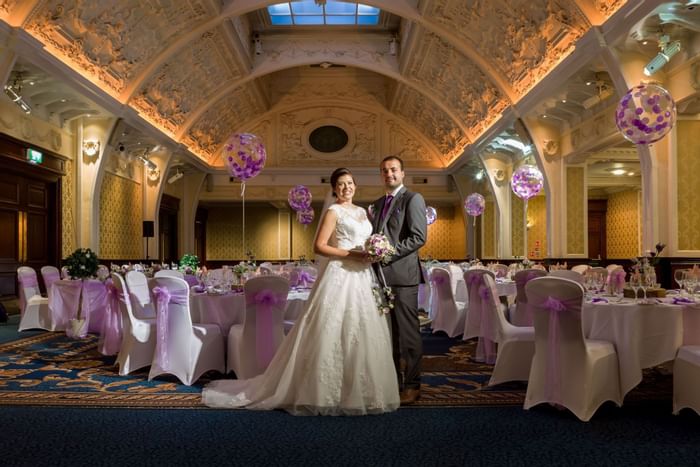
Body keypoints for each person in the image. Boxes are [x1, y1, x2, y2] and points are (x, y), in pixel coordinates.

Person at [202, 168, 399, 415]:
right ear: (334, 189)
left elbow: (367, 240)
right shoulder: (333, 211)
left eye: (349, 183)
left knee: (363, 330)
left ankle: (363, 390)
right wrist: (354, 254)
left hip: (362, 277)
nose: (346, 187)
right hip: (340, 275)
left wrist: (373, 251)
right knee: (331, 329)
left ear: (355, 186)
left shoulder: (362, 212)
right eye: (340, 184)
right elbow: (320, 246)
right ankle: (322, 391)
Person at [370, 155, 427, 405]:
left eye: (393, 170)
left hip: (403, 277)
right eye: (384, 170)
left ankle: (413, 385)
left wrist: (387, 252)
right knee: (388, 335)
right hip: (380, 278)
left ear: (403, 173)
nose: (389, 174)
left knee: (408, 335)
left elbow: (418, 237)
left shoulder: (413, 199)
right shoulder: (377, 203)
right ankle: (393, 382)